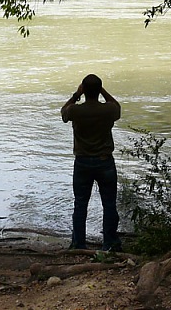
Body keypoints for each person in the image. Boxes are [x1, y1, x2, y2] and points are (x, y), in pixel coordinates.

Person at [61, 74, 122, 251]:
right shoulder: (108, 110)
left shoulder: (75, 111)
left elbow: (63, 112)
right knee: (109, 204)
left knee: (80, 204)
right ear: (99, 91)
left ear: (84, 90)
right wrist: (102, 90)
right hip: (105, 162)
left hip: (82, 163)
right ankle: (110, 243)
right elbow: (117, 107)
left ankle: (78, 244)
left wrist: (76, 94)